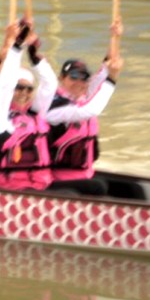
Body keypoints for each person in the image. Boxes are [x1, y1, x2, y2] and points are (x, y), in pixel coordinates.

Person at [43, 20, 125, 196]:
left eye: (83, 78)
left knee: (132, 189)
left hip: (84, 175)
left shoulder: (83, 98)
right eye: (73, 77)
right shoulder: (54, 108)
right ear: (61, 78)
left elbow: (106, 69)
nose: (79, 82)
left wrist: (115, 37)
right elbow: (90, 110)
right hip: (56, 179)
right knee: (99, 187)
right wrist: (113, 79)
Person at [0, 22, 61, 192]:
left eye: (28, 89)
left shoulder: (34, 114)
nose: (24, 93)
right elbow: (5, 85)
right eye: (19, 88)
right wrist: (17, 47)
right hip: (12, 189)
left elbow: (50, 85)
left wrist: (33, 56)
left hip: (41, 186)